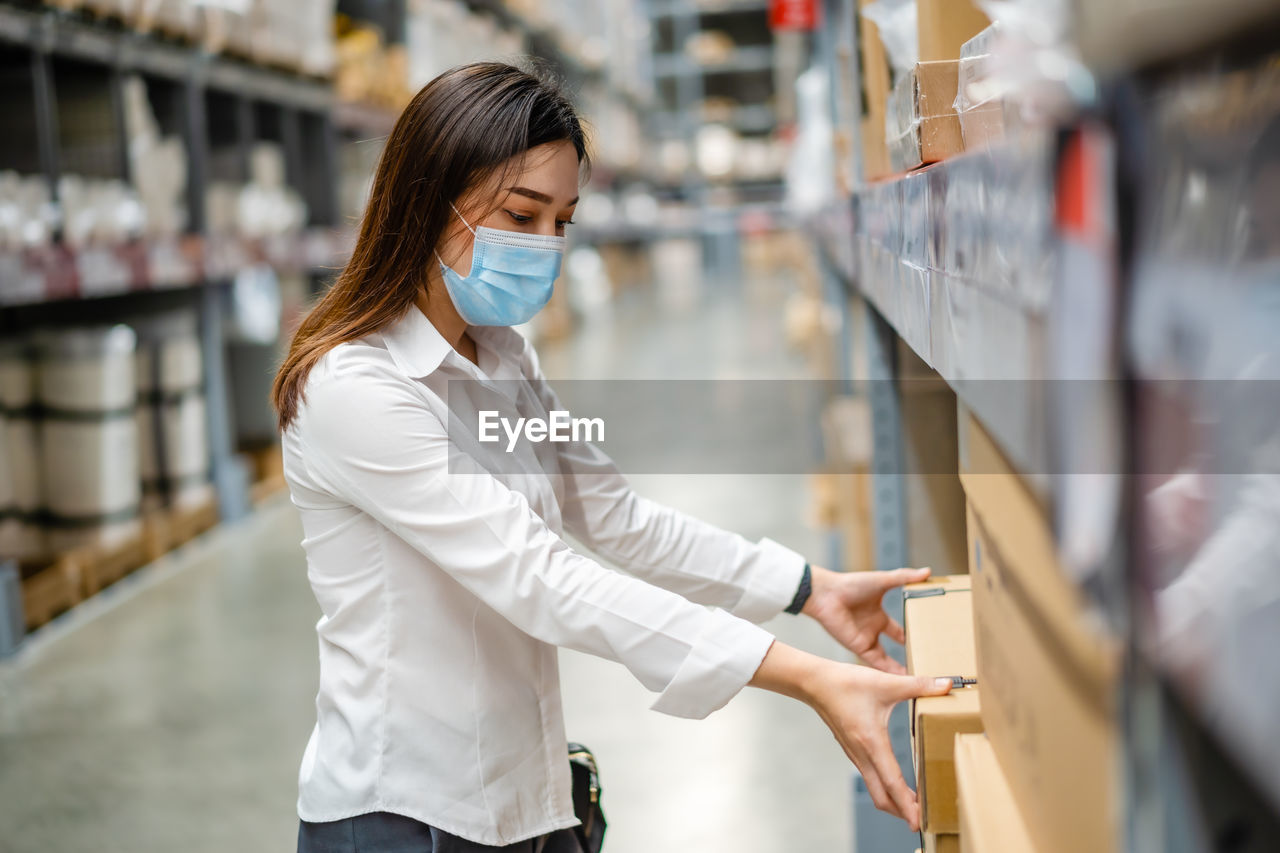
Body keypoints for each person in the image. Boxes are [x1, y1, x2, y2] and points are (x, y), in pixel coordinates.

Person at [272, 62, 953, 853]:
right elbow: (540, 577)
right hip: (405, 816)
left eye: (562, 221)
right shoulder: (357, 388)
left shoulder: (502, 358)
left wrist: (806, 588)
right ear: (428, 199)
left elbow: (614, 517)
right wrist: (805, 676)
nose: (545, 247)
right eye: (521, 216)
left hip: (527, 797)